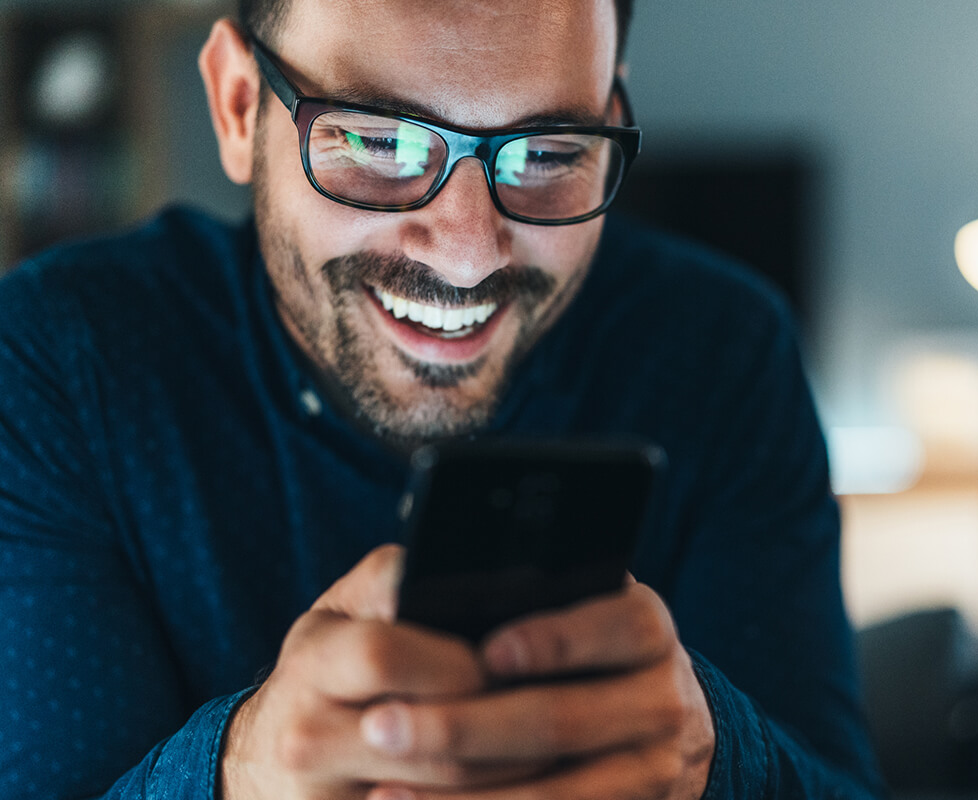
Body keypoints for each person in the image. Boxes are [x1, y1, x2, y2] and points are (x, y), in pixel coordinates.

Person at [0, 0, 885, 797]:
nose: (470, 254)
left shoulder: (722, 350)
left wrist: (716, 758)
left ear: (614, 115)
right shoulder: (54, 362)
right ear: (239, 105)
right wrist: (238, 777)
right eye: (381, 142)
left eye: (547, 152)